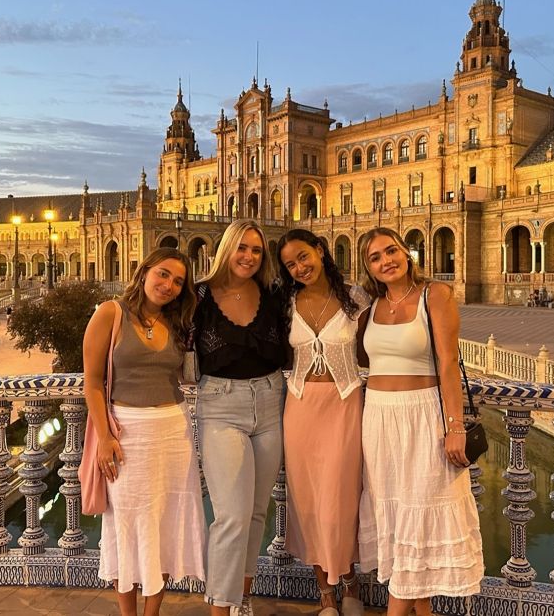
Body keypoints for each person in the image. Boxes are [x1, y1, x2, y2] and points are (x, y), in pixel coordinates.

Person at [357, 227, 483, 616]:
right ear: (368, 268)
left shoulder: (435, 295)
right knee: (398, 520)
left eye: (391, 251)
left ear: (407, 253)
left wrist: (455, 426)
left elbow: (447, 364)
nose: (386, 261)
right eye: (375, 257)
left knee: (419, 516)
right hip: (378, 418)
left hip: (422, 416)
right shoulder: (369, 308)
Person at [82, 247, 205, 615]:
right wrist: (105, 436)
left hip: (173, 429)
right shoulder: (111, 313)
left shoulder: (178, 322)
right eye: (163, 274)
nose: (169, 285)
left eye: (178, 281)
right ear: (145, 270)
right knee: (128, 523)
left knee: (166, 523)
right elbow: (91, 382)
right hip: (128, 431)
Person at [192, 219, 287, 616]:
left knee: (256, 512)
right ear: (225, 249)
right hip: (220, 405)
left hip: (270, 400)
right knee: (230, 516)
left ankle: (242, 599)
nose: (248, 256)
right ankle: (220, 608)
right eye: (242, 247)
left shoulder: (273, 293)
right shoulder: (197, 296)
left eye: (256, 250)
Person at [276, 229, 369, 616]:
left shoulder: (357, 298)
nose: (299, 267)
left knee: (342, 499)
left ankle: (348, 578)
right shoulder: (286, 304)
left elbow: (379, 345)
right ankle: (326, 593)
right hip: (300, 407)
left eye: (303, 256)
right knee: (309, 501)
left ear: (320, 249)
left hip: (345, 403)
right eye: (290, 265)